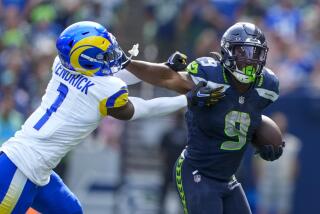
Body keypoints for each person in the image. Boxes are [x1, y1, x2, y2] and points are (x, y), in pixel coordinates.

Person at [0, 21, 215, 213]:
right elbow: (142, 108)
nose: (110, 55)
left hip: (28, 163)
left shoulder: (62, 64)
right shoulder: (104, 90)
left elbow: (109, 75)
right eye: (103, 54)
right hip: (21, 171)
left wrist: (164, 67)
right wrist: (187, 100)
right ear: (86, 60)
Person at [123, 22, 284, 214]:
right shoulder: (210, 75)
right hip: (197, 172)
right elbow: (167, 78)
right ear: (227, 52)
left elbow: (247, 113)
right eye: (243, 52)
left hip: (228, 178)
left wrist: (264, 137)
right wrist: (127, 64)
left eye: (255, 53)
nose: (250, 60)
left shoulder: (267, 86)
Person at [254, 112, 301, 214]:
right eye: (277, 122)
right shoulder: (262, 141)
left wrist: (291, 179)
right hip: (266, 179)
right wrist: (259, 177)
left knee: (283, 207)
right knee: (263, 206)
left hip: (284, 180)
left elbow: (295, 162)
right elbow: (257, 160)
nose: (280, 124)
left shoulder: (293, 142)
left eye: (282, 122)